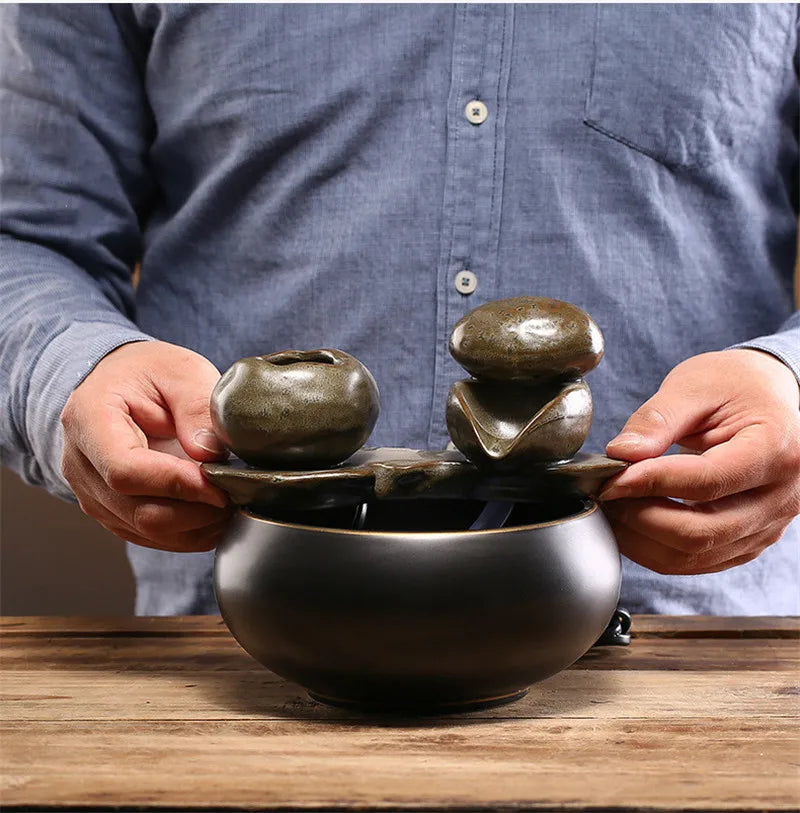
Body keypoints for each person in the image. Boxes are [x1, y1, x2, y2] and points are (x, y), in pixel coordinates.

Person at [1, 4, 798, 616]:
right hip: (235, 651)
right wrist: (76, 368)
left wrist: (789, 384)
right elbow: (22, 236)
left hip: (694, 657)